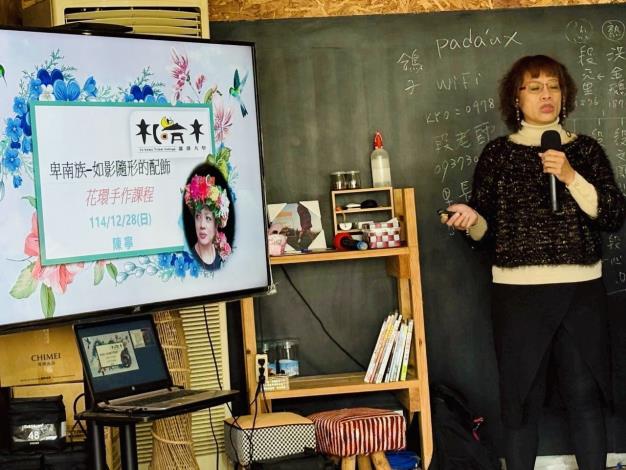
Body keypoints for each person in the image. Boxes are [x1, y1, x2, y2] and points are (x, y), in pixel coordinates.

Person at [441, 55, 626, 470]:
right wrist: (471, 220)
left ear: (565, 96)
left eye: (554, 87)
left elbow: (613, 216)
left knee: (584, 395)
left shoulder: (584, 151)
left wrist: (570, 176)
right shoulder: (498, 155)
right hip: (518, 295)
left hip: (580, 290)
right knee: (520, 401)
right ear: (516, 98)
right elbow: (487, 236)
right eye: (535, 87)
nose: (546, 95)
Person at [183, 167, 232, 270]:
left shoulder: (221, 258)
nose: (202, 225)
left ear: (216, 223)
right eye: (198, 216)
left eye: (208, 218)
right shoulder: (189, 259)